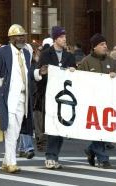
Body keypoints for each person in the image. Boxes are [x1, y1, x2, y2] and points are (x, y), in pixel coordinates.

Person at [0, 24, 46, 173]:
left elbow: (29, 73)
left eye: (23, 35)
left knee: (15, 130)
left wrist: (39, 72)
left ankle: (5, 161)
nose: (22, 38)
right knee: (11, 130)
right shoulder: (3, 52)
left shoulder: (26, 53)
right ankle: (11, 163)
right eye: (18, 36)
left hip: (23, 97)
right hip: (8, 97)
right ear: (11, 38)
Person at [77, 33, 116, 169]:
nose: (105, 46)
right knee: (97, 130)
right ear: (94, 47)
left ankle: (91, 150)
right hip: (92, 102)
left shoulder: (111, 61)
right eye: (102, 44)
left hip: (108, 101)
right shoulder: (86, 61)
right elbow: (78, 78)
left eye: (105, 44)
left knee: (103, 130)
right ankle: (103, 158)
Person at [36, 26, 76, 169]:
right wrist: (44, 72)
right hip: (49, 95)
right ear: (55, 39)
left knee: (61, 126)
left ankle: (55, 155)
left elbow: (74, 74)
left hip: (64, 96)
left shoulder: (69, 56)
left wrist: (73, 71)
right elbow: (39, 72)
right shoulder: (46, 54)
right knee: (52, 126)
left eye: (65, 37)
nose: (65, 39)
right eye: (61, 37)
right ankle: (50, 156)